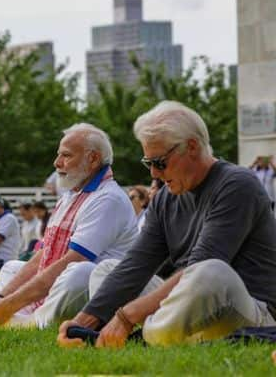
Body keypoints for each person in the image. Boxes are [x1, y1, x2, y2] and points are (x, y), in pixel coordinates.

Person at [58, 101, 276, 348]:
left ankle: (141, 340)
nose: (153, 173)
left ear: (191, 147)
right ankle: (119, 333)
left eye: (159, 162)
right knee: (108, 269)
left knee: (210, 272)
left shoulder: (238, 185)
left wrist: (126, 317)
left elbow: (201, 266)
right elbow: (136, 264)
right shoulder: (165, 198)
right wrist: (82, 321)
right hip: (189, 302)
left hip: (252, 311)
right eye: (148, 163)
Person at [0, 123, 138, 329]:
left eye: (66, 156)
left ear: (93, 159)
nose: (57, 163)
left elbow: (72, 260)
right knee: (12, 268)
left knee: (79, 272)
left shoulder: (108, 198)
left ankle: (30, 323)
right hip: (62, 282)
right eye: (58, 155)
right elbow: (44, 255)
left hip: (101, 291)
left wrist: (8, 305)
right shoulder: (71, 195)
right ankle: (15, 317)